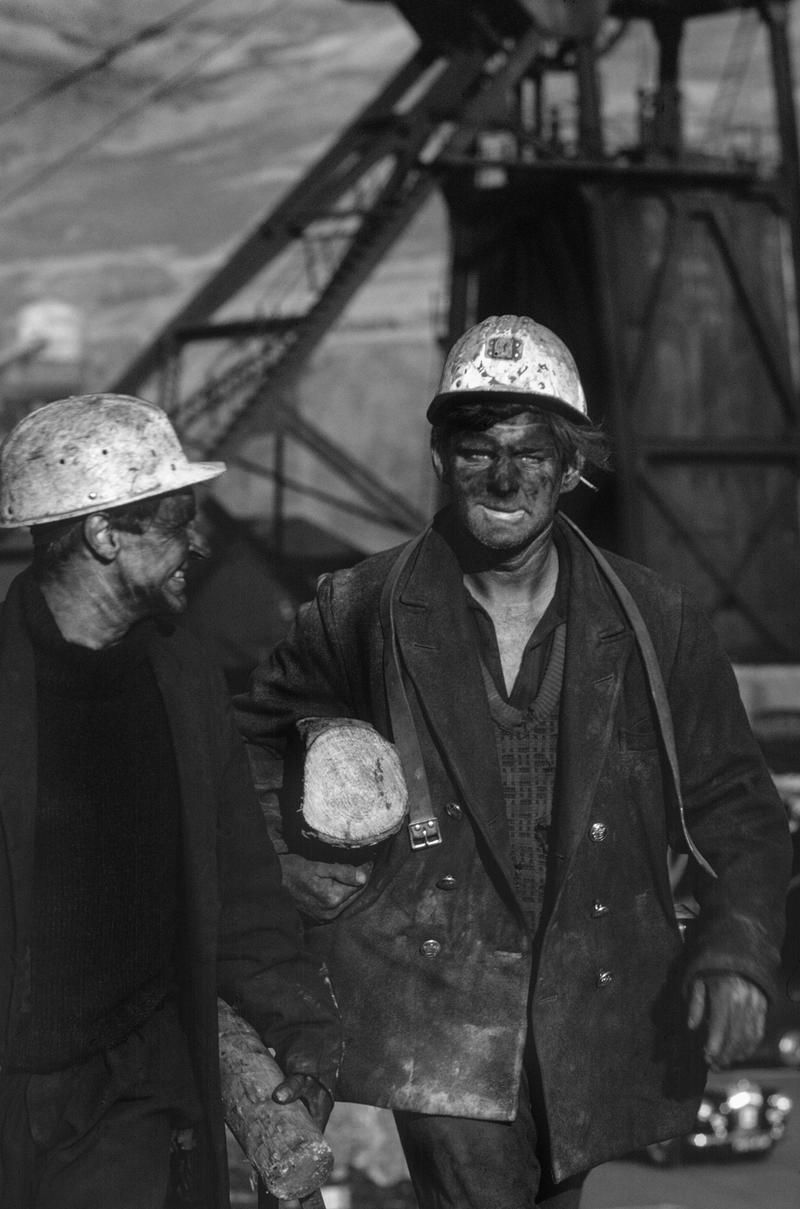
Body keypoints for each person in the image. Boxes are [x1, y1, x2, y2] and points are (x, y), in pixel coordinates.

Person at [234, 315, 792, 1208]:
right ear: (441, 458)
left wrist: (740, 947)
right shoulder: (362, 609)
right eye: (477, 449)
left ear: (571, 466)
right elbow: (247, 750)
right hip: (433, 998)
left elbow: (739, 804)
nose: (503, 478)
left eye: (530, 453)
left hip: (593, 1001)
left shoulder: (654, 622)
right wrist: (302, 865)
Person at [0, 394, 341, 1209]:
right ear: (103, 533)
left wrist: (301, 1029)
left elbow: (245, 882)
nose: (200, 539)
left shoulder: (182, 680)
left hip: (135, 1090)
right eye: (177, 517)